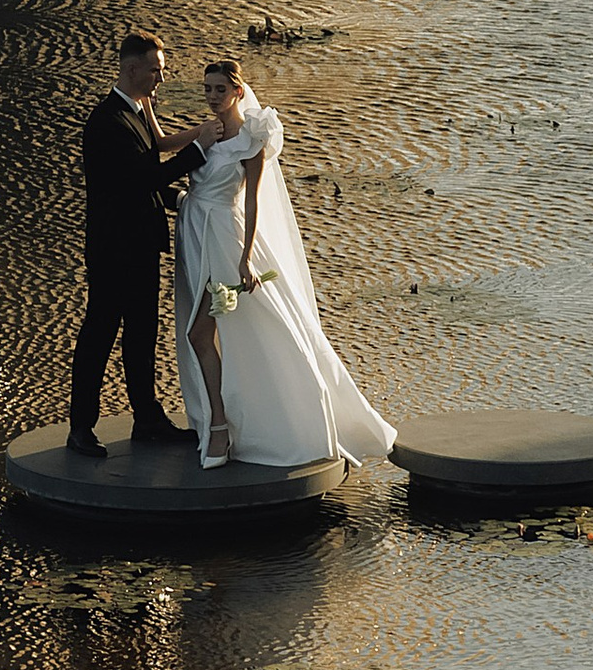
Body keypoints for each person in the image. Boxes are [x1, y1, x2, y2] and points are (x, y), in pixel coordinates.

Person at [174, 58, 393, 472]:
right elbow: (164, 147)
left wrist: (245, 258)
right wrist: (149, 110)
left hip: (225, 236)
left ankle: (226, 423)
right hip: (193, 234)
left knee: (209, 330)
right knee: (203, 333)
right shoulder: (208, 131)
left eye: (220, 89)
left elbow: (253, 199)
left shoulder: (253, 138)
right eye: (207, 89)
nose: (212, 97)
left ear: (238, 92)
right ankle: (221, 420)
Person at [66, 29, 201, 455]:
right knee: (99, 335)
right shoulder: (106, 122)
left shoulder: (139, 110)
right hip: (111, 251)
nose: (161, 78)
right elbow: (141, 178)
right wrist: (198, 152)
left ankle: (148, 419)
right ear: (132, 69)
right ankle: (80, 428)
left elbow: (142, 182)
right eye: (156, 70)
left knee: (142, 335)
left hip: (141, 245)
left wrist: (182, 201)